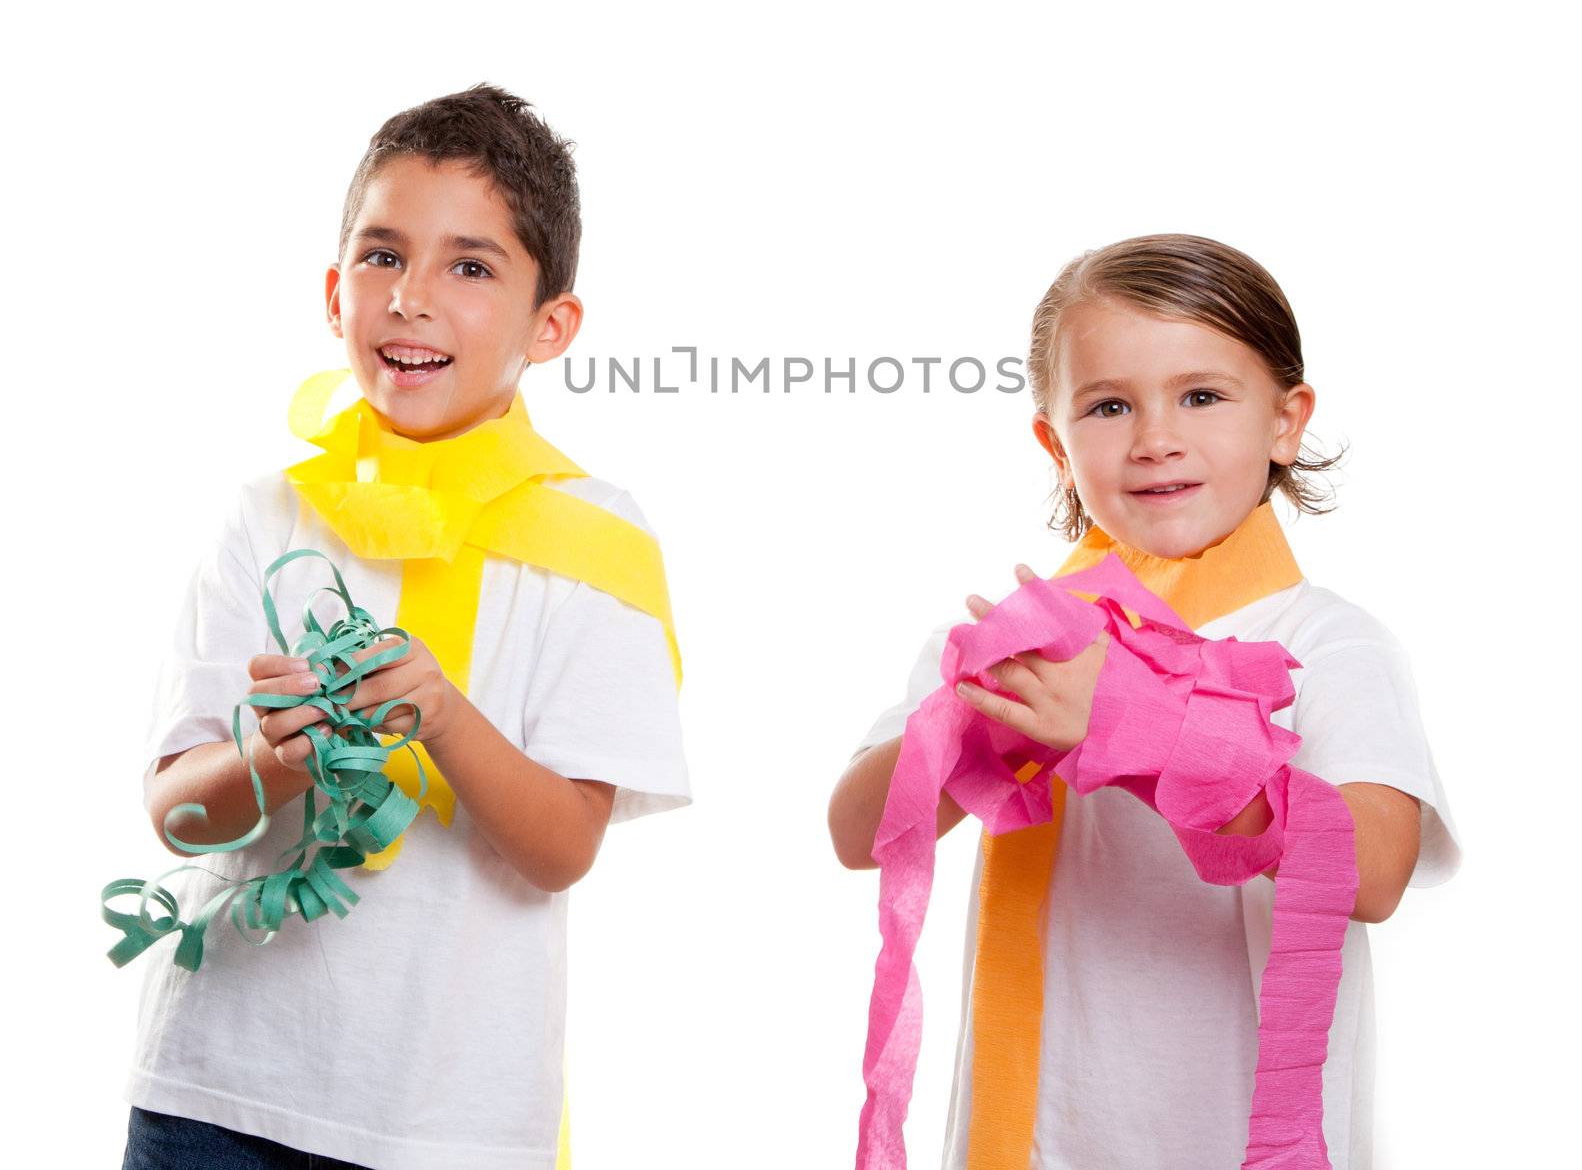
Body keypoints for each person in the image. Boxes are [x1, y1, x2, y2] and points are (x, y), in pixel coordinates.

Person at [121, 84, 690, 1170]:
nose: (412, 297)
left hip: (448, 1122)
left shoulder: (595, 546)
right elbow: (176, 812)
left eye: (470, 267)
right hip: (216, 1093)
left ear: (552, 323)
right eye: (382, 257)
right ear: (335, 294)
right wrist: (272, 755)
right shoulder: (270, 515)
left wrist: (438, 710)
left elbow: (563, 845)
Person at [828, 233, 1460, 1170]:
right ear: (1054, 443)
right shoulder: (1019, 645)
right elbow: (856, 834)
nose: (1156, 436)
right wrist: (972, 720)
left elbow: (1372, 873)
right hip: (1032, 1141)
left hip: (1236, 1138)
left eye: (1201, 396)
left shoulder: (1328, 642)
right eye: (1109, 405)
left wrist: (1135, 727)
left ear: (1286, 422)